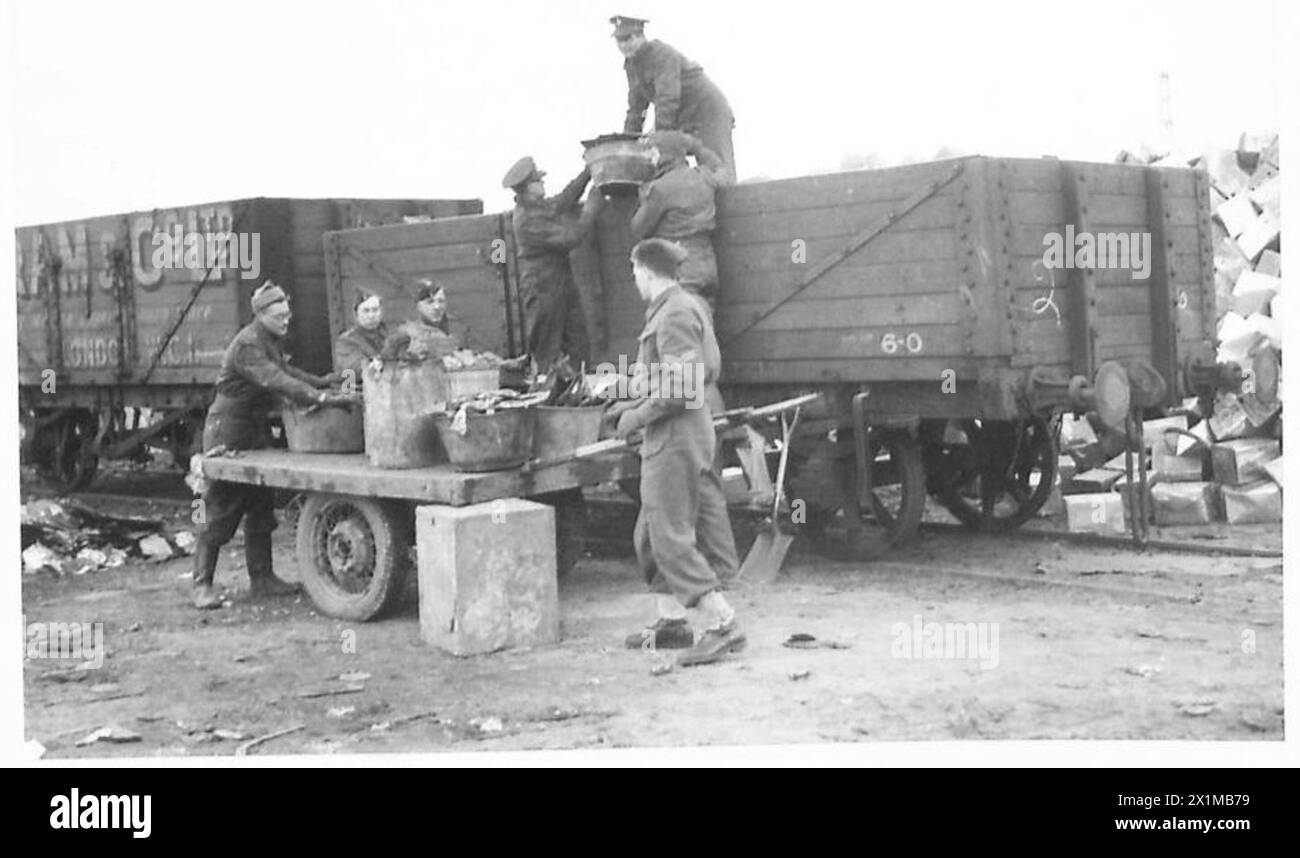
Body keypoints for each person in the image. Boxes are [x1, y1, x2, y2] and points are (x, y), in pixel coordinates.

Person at [609, 238, 744, 666]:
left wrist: (637, 417)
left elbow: (682, 387)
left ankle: (722, 626)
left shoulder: (676, 313)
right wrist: (630, 400)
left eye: (634, 272)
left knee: (670, 537)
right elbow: (676, 376)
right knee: (651, 533)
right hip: (676, 429)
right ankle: (673, 623)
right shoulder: (680, 307)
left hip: (676, 435)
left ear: (647, 271)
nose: (634, 280)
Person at [192, 281, 354, 610]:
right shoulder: (247, 345)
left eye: (287, 314)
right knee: (221, 508)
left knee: (260, 505)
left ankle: (263, 579)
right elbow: (274, 380)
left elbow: (286, 370)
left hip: (252, 429)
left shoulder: (267, 339)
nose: (286, 321)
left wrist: (322, 381)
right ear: (262, 314)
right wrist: (321, 398)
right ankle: (201, 585)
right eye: (280, 316)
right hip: (228, 432)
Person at [505, 156, 602, 374]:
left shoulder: (536, 206)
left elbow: (564, 199)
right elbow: (571, 237)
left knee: (578, 341)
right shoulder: (528, 219)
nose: (543, 183)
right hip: (542, 286)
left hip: (557, 281)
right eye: (538, 181)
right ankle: (546, 394)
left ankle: (576, 389)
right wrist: (591, 208)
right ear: (527, 188)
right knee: (547, 347)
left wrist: (588, 172)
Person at [612, 14, 736, 176]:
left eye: (628, 39)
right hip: (682, 115)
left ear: (641, 36)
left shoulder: (662, 55)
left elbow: (668, 99)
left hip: (707, 112)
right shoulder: (632, 66)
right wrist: (628, 144)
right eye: (619, 40)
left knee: (717, 166)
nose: (623, 45)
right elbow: (636, 108)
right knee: (666, 160)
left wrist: (660, 139)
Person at [630, 129, 732, 313]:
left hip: (678, 266)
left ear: (661, 155)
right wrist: (695, 146)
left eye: (651, 151)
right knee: (703, 328)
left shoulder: (660, 189)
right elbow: (722, 169)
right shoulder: (703, 176)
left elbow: (638, 229)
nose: (648, 157)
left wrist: (643, 193)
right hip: (706, 263)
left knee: (682, 327)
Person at [381, 280, 471, 362]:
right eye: (430, 302)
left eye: (441, 301)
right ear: (418, 306)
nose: (437, 307)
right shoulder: (405, 334)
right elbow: (387, 361)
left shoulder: (458, 330)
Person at [333, 291, 388, 386]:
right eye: (366, 311)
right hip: (356, 392)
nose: (371, 316)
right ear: (356, 314)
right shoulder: (346, 341)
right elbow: (354, 369)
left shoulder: (386, 336)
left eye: (375, 310)